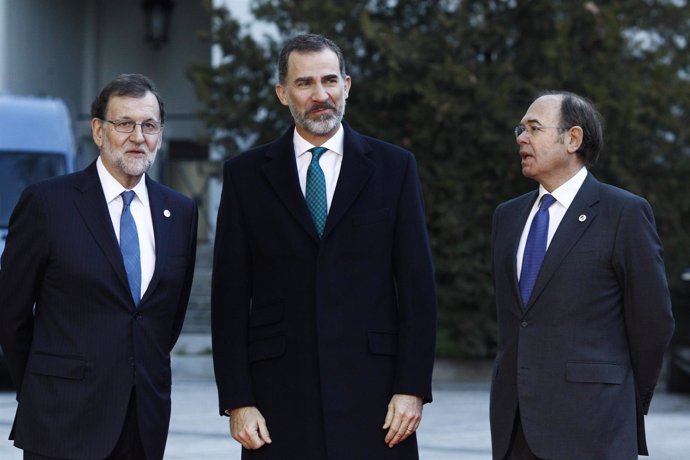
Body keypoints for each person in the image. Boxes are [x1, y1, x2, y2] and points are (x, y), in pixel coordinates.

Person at [211, 33, 437, 459]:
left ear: (346, 86)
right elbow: (229, 297)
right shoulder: (245, 176)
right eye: (304, 83)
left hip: (377, 401)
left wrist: (411, 389)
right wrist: (238, 401)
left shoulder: (394, 168)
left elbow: (417, 288)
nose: (320, 95)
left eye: (330, 81)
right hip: (278, 403)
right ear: (282, 93)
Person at [0, 73, 198, 460]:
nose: (138, 136)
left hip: (143, 423)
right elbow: (11, 313)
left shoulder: (181, 212)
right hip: (61, 421)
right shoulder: (47, 204)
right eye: (124, 124)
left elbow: (164, 319)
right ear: (98, 130)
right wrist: (45, 387)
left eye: (149, 125)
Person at [490, 90, 675, 460]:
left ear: (573, 139)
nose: (521, 139)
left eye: (534, 128)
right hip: (514, 428)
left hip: (594, 426)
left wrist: (622, 398)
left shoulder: (623, 213)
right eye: (520, 129)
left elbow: (653, 321)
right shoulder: (507, 217)